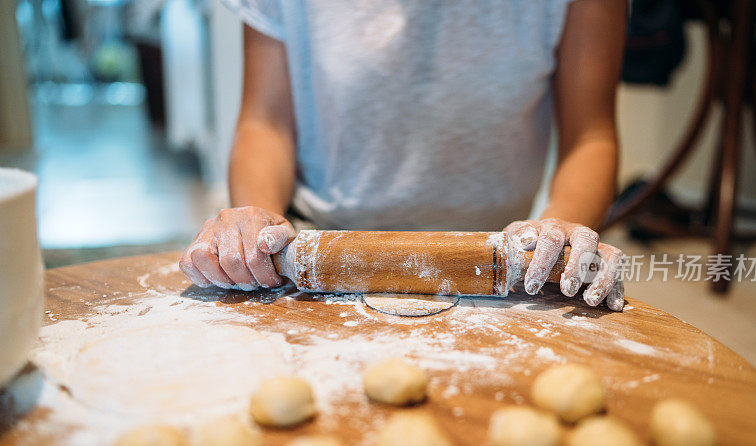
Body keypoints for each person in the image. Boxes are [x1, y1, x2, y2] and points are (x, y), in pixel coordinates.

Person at [180, 0, 627, 311]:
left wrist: (561, 231)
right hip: (318, 255)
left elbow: (591, 136)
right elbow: (266, 123)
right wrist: (257, 221)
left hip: (501, 261)